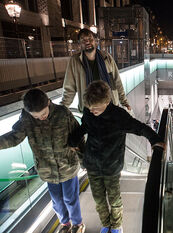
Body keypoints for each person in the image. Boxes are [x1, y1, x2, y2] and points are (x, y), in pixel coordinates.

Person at [69, 80, 164, 233]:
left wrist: (155, 140)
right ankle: (106, 224)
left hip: (112, 166)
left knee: (114, 199)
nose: (92, 110)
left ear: (107, 101)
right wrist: (73, 139)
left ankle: (117, 225)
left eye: (95, 107)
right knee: (99, 200)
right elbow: (84, 127)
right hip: (92, 164)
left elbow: (139, 127)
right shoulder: (88, 112)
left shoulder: (119, 116)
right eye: (89, 108)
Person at [0, 89, 85, 233]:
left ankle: (78, 224)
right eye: (36, 117)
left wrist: (84, 160)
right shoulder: (27, 119)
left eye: (44, 114)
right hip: (47, 170)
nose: (41, 118)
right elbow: (14, 137)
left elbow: (78, 136)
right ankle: (65, 224)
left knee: (70, 199)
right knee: (57, 202)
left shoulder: (63, 113)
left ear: (48, 102)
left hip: (68, 166)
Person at [60, 28, 131, 113]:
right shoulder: (75, 61)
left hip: (110, 106)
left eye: (90, 39)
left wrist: (124, 102)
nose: (87, 42)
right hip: (89, 110)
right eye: (83, 40)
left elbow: (117, 81)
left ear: (95, 41)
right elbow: (69, 88)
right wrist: (61, 109)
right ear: (79, 44)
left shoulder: (107, 58)